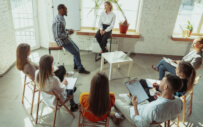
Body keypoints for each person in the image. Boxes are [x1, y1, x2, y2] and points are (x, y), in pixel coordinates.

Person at [111, 74, 183, 127]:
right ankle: (122, 110)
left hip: (136, 113)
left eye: (161, 81)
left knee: (115, 100)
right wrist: (161, 96)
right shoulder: (179, 102)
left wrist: (135, 107)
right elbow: (172, 116)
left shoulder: (153, 108)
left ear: (166, 87)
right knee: (137, 95)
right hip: (147, 109)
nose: (159, 82)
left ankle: (117, 114)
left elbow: (140, 124)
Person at [52, 4, 90, 74]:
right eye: (65, 10)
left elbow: (60, 30)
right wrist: (68, 33)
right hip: (61, 41)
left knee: (77, 50)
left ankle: (76, 66)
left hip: (65, 38)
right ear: (61, 10)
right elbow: (58, 35)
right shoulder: (58, 20)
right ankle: (80, 68)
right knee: (76, 52)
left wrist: (67, 30)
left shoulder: (60, 18)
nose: (67, 11)